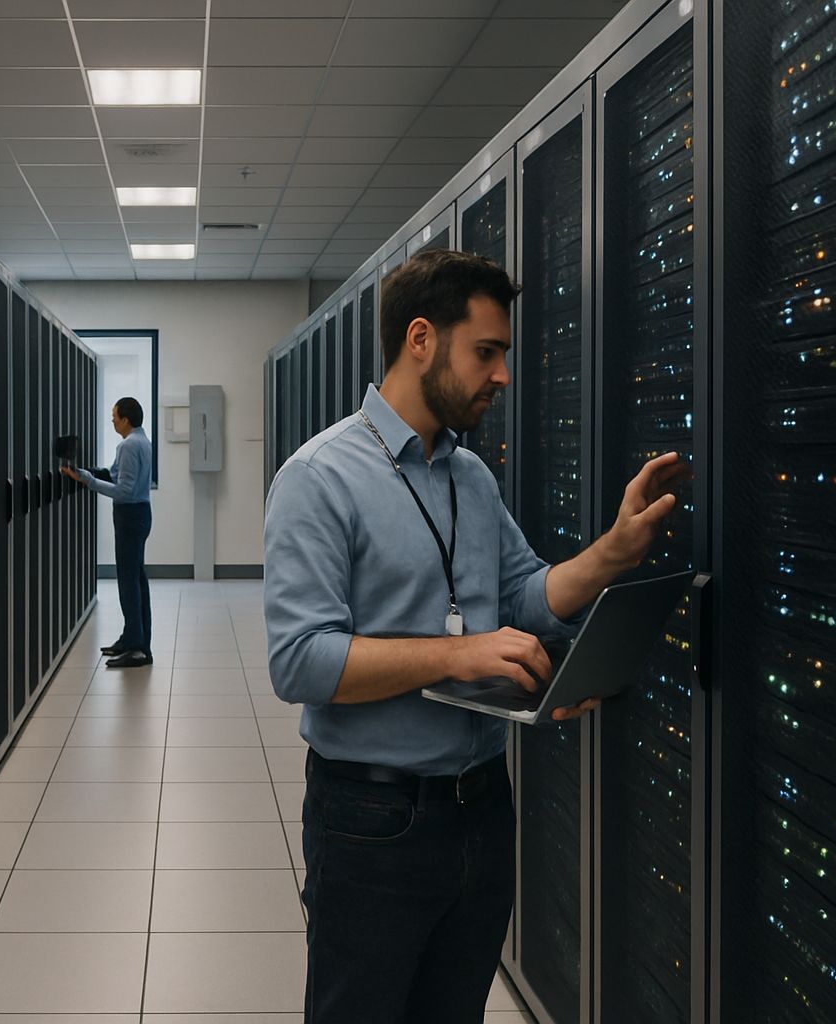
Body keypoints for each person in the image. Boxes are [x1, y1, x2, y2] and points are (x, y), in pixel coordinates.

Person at [263, 249, 688, 1023]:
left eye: (503, 355)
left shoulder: (470, 477)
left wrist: (612, 554)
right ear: (420, 339)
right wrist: (461, 650)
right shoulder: (318, 478)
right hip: (372, 819)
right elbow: (300, 659)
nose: (502, 375)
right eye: (485, 352)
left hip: (484, 807)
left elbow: (522, 595)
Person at [63, 396, 154, 668]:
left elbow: (124, 490)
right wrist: (84, 473)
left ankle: (136, 648)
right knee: (136, 579)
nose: (112, 420)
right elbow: (116, 476)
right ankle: (133, 639)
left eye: (114, 416)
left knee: (128, 581)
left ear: (126, 419)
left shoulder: (127, 445)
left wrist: (89, 481)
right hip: (140, 515)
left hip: (129, 516)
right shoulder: (142, 441)